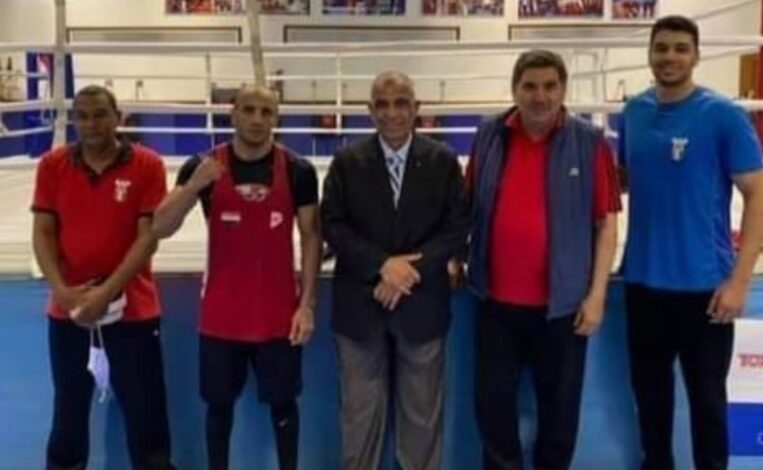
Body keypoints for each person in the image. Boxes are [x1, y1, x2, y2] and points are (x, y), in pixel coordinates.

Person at [619, 15, 763, 470]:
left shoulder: (723, 115)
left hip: (706, 289)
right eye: (661, 47)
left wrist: (740, 280)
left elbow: (759, 195)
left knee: (707, 404)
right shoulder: (633, 113)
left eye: (680, 48)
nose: (670, 57)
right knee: (650, 402)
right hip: (643, 284)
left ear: (696, 56)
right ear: (650, 53)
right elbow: (624, 183)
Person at [464, 50, 621, 470]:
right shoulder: (489, 134)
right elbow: (467, 205)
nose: (540, 96)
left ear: (563, 90)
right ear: (514, 89)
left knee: (560, 415)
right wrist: (455, 258)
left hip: (563, 308)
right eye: (530, 86)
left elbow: (606, 223)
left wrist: (597, 295)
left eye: (550, 86)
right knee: (493, 410)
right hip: (496, 303)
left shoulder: (590, 143)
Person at [152, 85, 321, 470]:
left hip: (279, 313)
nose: (257, 119)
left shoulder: (298, 170)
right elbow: (159, 227)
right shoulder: (202, 166)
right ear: (233, 114)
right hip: (221, 315)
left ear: (276, 118)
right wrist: (193, 186)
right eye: (249, 110)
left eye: (266, 112)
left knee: (284, 405)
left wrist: (306, 305)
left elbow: (312, 236)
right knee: (219, 408)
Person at [320, 71, 469, 470]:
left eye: (401, 103)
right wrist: (382, 265)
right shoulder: (347, 163)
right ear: (369, 110)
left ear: (416, 108)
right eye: (382, 104)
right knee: (359, 418)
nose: (392, 113)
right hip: (359, 309)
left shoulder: (443, 162)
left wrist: (406, 272)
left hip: (422, 308)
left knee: (422, 419)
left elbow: (457, 227)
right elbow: (332, 224)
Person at [31, 85, 174, 470]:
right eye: (83, 116)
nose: (91, 124)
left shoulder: (147, 165)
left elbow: (148, 239)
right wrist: (62, 292)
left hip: (134, 311)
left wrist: (106, 293)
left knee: (146, 416)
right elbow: (43, 231)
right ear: (74, 120)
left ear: (118, 117)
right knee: (68, 413)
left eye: (100, 115)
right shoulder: (52, 165)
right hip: (70, 311)